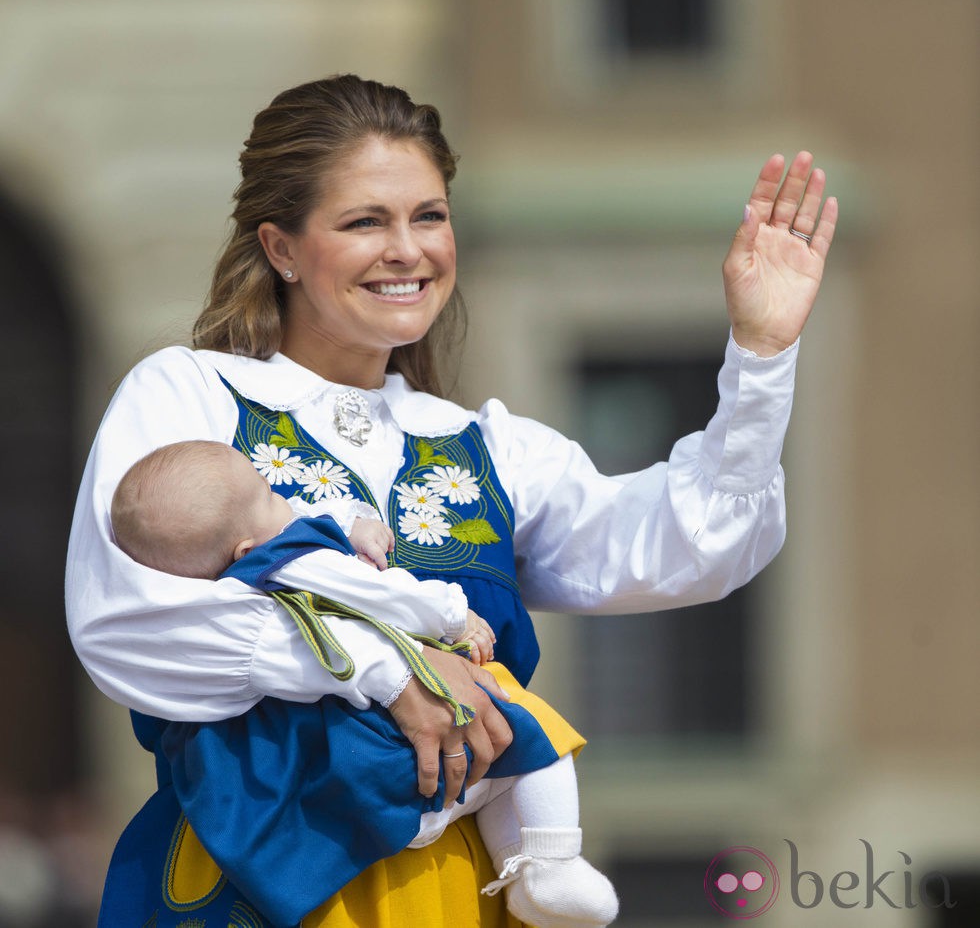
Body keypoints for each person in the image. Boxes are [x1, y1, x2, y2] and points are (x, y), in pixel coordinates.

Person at [65, 74, 837, 928]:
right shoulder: (191, 393)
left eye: (428, 216)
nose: (408, 250)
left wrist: (760, 357)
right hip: (254, 884)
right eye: (366, 221)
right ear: (281, 247)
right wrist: (383, 668)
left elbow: (692, 544)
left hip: (457, 891)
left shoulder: (487, 444)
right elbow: (122, 623)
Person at [109, 438, 616, 926]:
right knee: (526, 725)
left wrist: (351, 530)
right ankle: (548, 860)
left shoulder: (230, 588)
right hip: (381, 769)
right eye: (267, 494)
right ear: (247, 545)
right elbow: (384, 596)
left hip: (282, 767)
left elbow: (312, 522)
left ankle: (516, 863)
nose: (282, 495)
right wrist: (455, 616)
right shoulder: (294, 560)